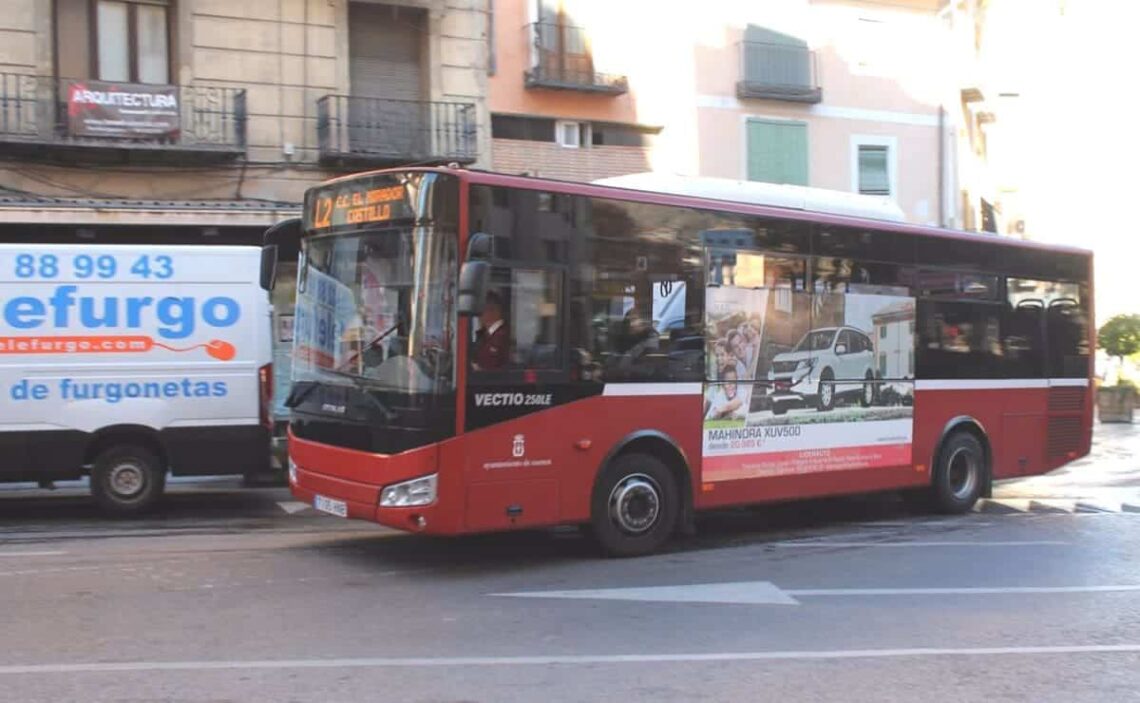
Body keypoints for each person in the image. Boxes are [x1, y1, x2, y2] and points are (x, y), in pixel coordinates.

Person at [473, 291, 510, 371]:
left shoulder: (501, 336)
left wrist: (477, 368)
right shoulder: (485, 335)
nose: (478, 316)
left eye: (481, 311)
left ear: (492, 310)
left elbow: (491, 366)